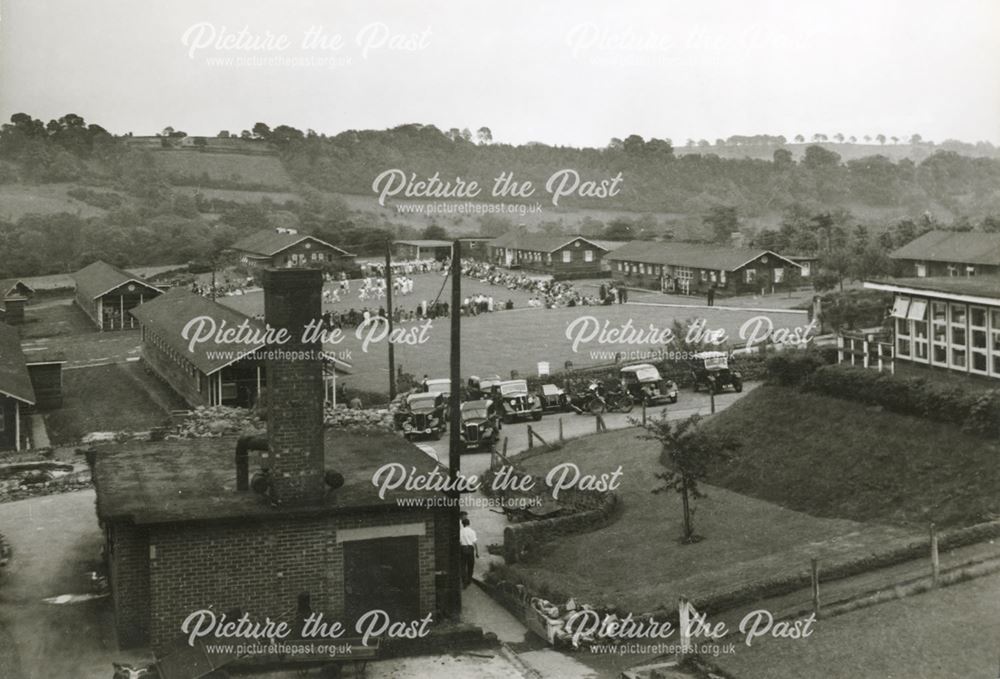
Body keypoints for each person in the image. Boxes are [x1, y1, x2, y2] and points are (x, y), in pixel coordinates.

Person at [459, 517, 478, 587]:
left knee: (463, 566)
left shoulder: (460, 531)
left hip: (463, 549)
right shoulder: (472, 531)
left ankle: (464, 581)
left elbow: (459, 542)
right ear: (469, 524)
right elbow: (475, 543)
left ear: (463, 524)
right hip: (470, 549)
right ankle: (469, 580)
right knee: (471, 565)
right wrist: (477, 552)